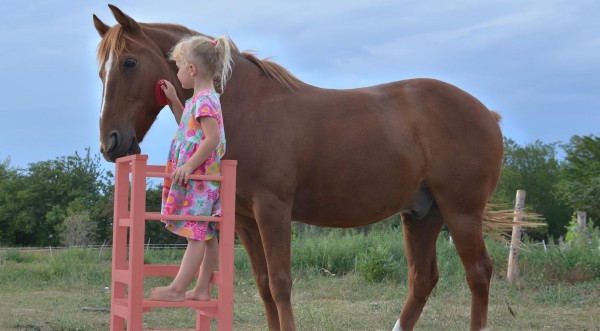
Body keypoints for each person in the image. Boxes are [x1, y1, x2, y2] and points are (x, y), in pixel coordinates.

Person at [149, 35, 233, 302]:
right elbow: (187, 129)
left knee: (195, 234)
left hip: (200, 179)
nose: (177, 72)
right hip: (198, 177)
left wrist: (188, 165)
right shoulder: (199, 99)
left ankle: (177, 289)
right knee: (204, 234)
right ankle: (202, 288)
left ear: (192, 70)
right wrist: (175, 100)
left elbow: (211, 139)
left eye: (179, 66)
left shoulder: (206, 100)